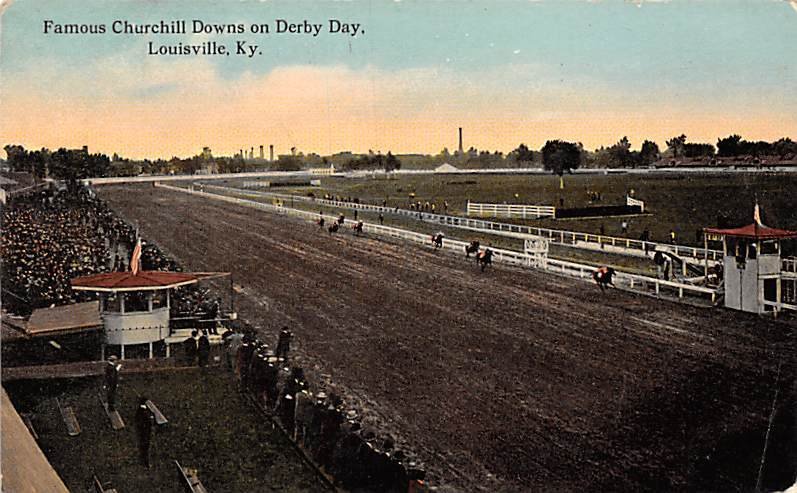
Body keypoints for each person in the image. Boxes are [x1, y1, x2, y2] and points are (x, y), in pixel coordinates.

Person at [135, 396, 155, 467]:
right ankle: (145, 462)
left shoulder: (140, 411)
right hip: (145, 432)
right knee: (145, 447)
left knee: (143, 447)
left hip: (142, 432)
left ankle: (143, 460)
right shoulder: (146, 412)